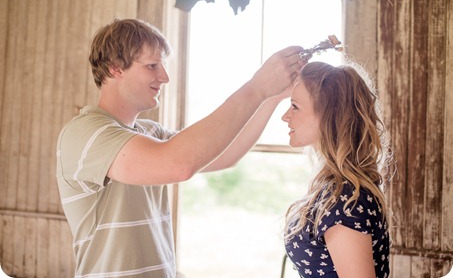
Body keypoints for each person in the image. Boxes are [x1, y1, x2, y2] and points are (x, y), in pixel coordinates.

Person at [55, 18, 304, 277]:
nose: (164, 76)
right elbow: (179, 164)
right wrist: (257, 87)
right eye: (152, 66)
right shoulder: (85, 133)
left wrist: (271, 96)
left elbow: (225, 155)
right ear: (115, 68)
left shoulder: (150, 133)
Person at [281, 61, 392, 278]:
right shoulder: (333, 189)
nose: (285, 116)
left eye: (295, 106)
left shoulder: (346, 202)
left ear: (328, 115)